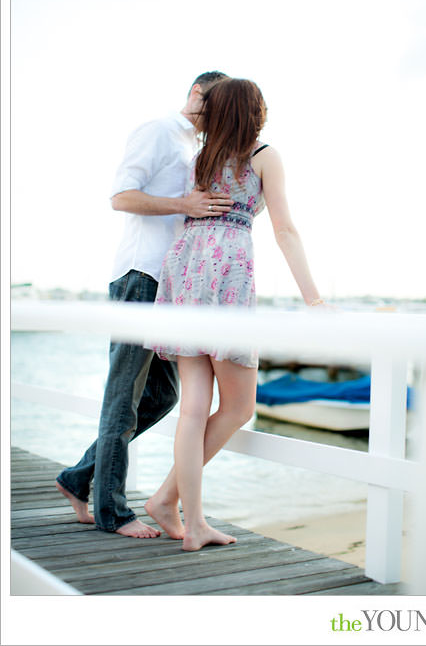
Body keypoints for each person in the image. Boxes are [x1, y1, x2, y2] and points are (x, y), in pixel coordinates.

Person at [144, 77, 325, 551]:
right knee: (240, 405)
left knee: (193, 409)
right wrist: (314, 299)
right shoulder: (263, 154)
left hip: (185, 267)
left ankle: (178, 509)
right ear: (256, 111)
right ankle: (172, 503)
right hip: (225, 273)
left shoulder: (199, 158)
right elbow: (284, 228)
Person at [55, 71, 231, 538]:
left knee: (163, 396)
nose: (221, 116)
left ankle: (78, 478)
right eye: (218, 104)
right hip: (139, 277)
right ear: (197, 94)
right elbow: (121, 197)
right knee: (123, 396)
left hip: (171, 287)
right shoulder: (158, 131)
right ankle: (112, 511)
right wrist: (184, 205)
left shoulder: (195, 149)